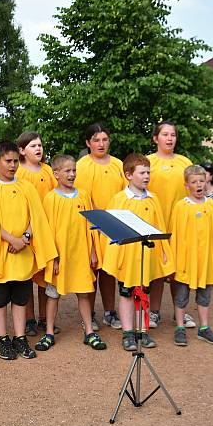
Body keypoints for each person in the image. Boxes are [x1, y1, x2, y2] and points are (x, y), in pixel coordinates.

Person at [0, 141, 57, 360]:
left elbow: (35, 216)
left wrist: (25, 237)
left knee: (21, 296)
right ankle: (2, 338)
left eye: (15, 161)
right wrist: (11, 239)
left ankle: (20, 337)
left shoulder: (26, 187)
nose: (12, 166)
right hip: (1, 251)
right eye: (8, 161)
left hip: (23, 250)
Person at [103, 153, 174, 351]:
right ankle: (127, 333)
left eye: (148, 172)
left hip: (146, 256)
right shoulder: (119, 199)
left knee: (143, 293)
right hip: (127, 257)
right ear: (128, 175)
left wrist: (164, 253)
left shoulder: (153, 199)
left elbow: (159, 226)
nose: (146, 176)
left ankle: (142, 331)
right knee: (126, 294)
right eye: (142, 172)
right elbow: (111, 232)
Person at [38, 154, 107, 351]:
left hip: (81, 255)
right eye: (67, 171)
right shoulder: (50, 198)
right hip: (60, 257)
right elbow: (47, 231)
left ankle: (89, 331)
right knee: (53, 294)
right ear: (56, 173)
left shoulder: (83, 195)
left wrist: (93, 251)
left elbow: (91, 225)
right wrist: (54, 258)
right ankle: (49, 332)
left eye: (74, 170)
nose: (72, 174)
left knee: (84, 294)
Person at [74, 123, 126, 331]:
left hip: (114, 225)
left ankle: (109, 312)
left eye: (104, 139)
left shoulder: (118, 165)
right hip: (89, 225)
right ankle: (89, 315)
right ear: (88, 143)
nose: (101, 144)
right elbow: (79, 197)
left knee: (109, 271)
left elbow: (124, 194)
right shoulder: (81, 166)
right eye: (96, 140)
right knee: (90, 271)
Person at [170, 165, 213, 346]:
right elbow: (175, 235)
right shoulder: (181, 206)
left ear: (206, 182)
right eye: (194, 182)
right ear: (187, 185)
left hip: (207, 260)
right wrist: (173, 262)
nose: (198, 185)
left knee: (205, 295)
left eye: (201, 181)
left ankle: (204, 328)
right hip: (186, 260)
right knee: (181, 296)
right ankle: (180, 327)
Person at [146, 122, 196, 331]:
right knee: (158, 270)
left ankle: (180, 313)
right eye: (165, 134)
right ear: (156, 138)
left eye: (173, 135)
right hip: (155, 224)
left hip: (180, 225)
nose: (169, 138)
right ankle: (154, 312)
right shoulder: (148, 162)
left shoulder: (185, 162)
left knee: (179, 271)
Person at [15, 131, 58, 336]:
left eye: (40, 145)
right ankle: (29, 319)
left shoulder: (49, 171)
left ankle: (44, 318)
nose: (38, 149)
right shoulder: (18, 173)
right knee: (27, 276)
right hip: (26, 231)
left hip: (45, 230)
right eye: (33, 146)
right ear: (22, 150)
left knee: (45, 275)